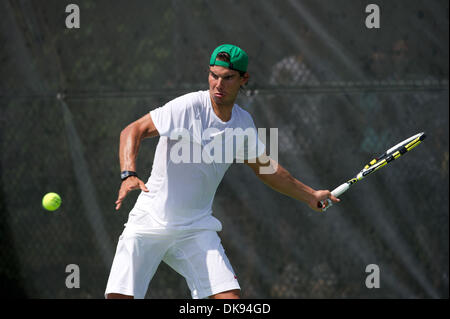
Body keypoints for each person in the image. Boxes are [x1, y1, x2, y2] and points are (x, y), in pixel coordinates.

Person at [105, 44, 339, 299]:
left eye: (227, 78)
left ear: (243, 79)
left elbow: (267, 169)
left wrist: (310, 195)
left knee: (230, 300)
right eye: (214, 75)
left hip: (196, 228)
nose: (219, 84)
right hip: (149, 220)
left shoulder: (243, 123)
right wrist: (128, 174)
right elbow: (132, 130)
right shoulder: (188, 106)